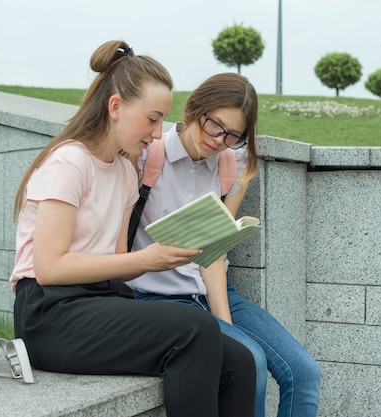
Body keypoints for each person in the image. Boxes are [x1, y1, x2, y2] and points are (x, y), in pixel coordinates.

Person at [10, 41, 256, 417]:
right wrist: (147, 259)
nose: (159, 134)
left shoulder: (125, 172)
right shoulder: (70, 163)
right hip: (48, 314)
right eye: (153, 118)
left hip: (99, 301)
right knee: (195, 328)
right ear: (115, 107)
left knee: (238, 361)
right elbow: (49, 268)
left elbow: (116, 262)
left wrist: (168, 253)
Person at [128, 72, 322, 417]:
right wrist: (235, 344)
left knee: (304, 372)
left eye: (233, 135)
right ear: (193, 110)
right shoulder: (146, 157)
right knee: (251, 361)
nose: (219, 140)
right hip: (157, 297)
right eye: (214, 126)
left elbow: (214, 255)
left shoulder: (233, 163)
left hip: (215, 289)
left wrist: (227, 329)